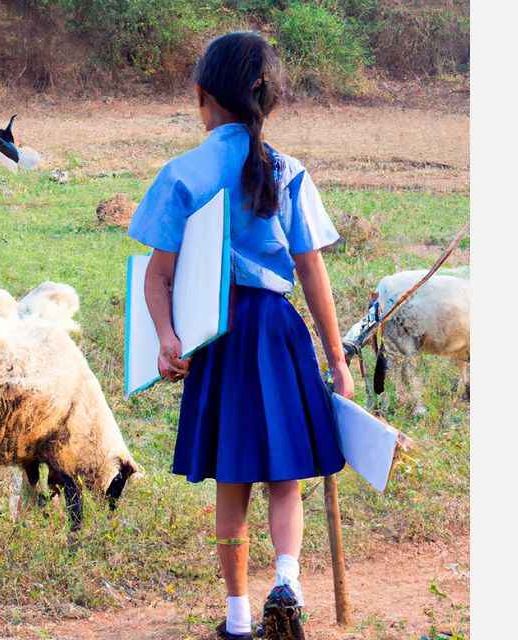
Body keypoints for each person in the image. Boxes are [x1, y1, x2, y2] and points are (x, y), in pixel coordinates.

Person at [127, 32, 355, 640]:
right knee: (285, 477)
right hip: (278, 333)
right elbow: (311, 271)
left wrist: (168, 338)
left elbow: (158, 276)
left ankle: (236, 618)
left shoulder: (183, 173)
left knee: (233, 482)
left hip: (214, 337)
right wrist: (338, 362)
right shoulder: (290, 170)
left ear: (201, 96)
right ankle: (288, 580)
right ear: (270, 100)